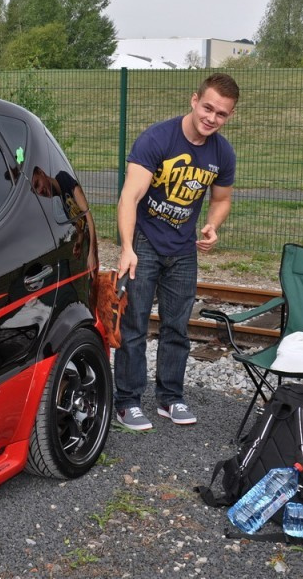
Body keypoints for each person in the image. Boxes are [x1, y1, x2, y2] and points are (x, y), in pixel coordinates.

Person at [114, 73, 239, 430]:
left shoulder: (222, 153)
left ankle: (170, 398)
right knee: (134, 324)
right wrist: (127, 248)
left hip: (184, 248)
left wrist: (212, 224)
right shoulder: (157, 139)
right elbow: (129, 197)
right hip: (145, 242)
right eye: (208, 108)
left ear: (229, 115)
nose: (212, 118)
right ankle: (127, 402)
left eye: (221, 114)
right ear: (194, 100)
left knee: (176, 327)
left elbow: (222, 199)